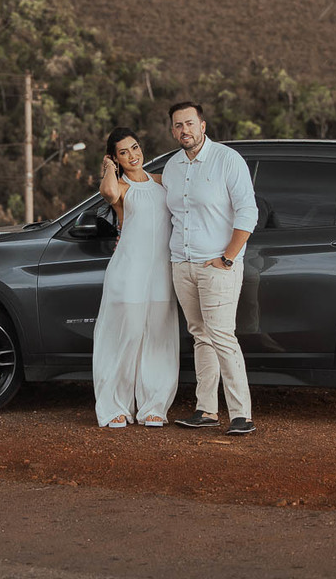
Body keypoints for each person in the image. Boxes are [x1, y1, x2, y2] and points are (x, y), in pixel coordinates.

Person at [163, 101, 259, 436]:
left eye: (189, 123)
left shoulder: (227, 160)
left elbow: (248, 212)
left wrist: (228, 257)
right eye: (177, 125)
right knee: (200, 336)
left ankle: (241, 415)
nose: (184, 130)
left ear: (203, 125)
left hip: (218, 265)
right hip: (182, 264)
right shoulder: (173, 167)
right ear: (172, 130)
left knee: (221, 336)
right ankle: (205, 410)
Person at [92, 127, 180, 428]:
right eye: (123, 152)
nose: (133, 155)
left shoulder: (159, 182)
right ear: (116, 158)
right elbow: (108, 193)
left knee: (159, 338)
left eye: (135, 147)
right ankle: (114, 405)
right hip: (129, 271)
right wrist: (108, 168)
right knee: (125, 337)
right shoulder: (120, 187)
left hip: (161, 272)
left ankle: (154, 405)